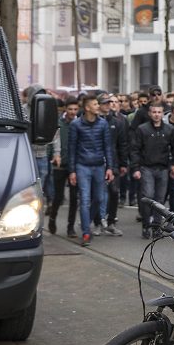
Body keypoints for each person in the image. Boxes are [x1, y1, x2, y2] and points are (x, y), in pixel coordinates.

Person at [67, 94, 115, 246]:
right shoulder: (76, 125)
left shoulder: (103, 124)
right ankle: (86, 232)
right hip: (82, 166)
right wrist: (72, 171)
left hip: (99, 166)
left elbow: (108, 147)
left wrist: (109, 168)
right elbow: (72, 148)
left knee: (99, 198)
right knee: (85, 199)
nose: (98, 106)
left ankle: (86, 221)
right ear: (87, 107)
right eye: (95, 104)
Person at [130, 102, 174, 238]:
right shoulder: (142, 129)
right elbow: (135, 150)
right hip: (146, 168)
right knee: (148, 196)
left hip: (163, 168)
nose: (156, 115)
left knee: (160, 200)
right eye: (154, 112)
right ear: (150, 113)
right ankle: (146, 225)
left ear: (162, 113)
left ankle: (157, 226)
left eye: (159, 112)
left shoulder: (169, 130)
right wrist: (135, 168)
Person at [94, 93, 128, 236]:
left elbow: (122, 144)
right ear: (99, 105)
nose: (108, 105)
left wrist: (123, 163)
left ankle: (111, 222)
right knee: (97, 195)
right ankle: (97, 222)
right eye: (105, 103)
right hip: (96, 162)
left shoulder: (117, 122)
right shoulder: (94, 121)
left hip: (113, 162)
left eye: (110, 103)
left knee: (114, 193)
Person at [50, 96, 80, 237]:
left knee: (74, 198)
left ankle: (70, 227)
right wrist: (54, 156)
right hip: (60, 164)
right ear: (65, 109)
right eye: (70, 109)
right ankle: (52, 218)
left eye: (75, 109)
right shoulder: (58, 123)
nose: (73, 112)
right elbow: (52, 141)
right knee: (58, 196)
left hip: (75, 165)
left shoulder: (80, 123)